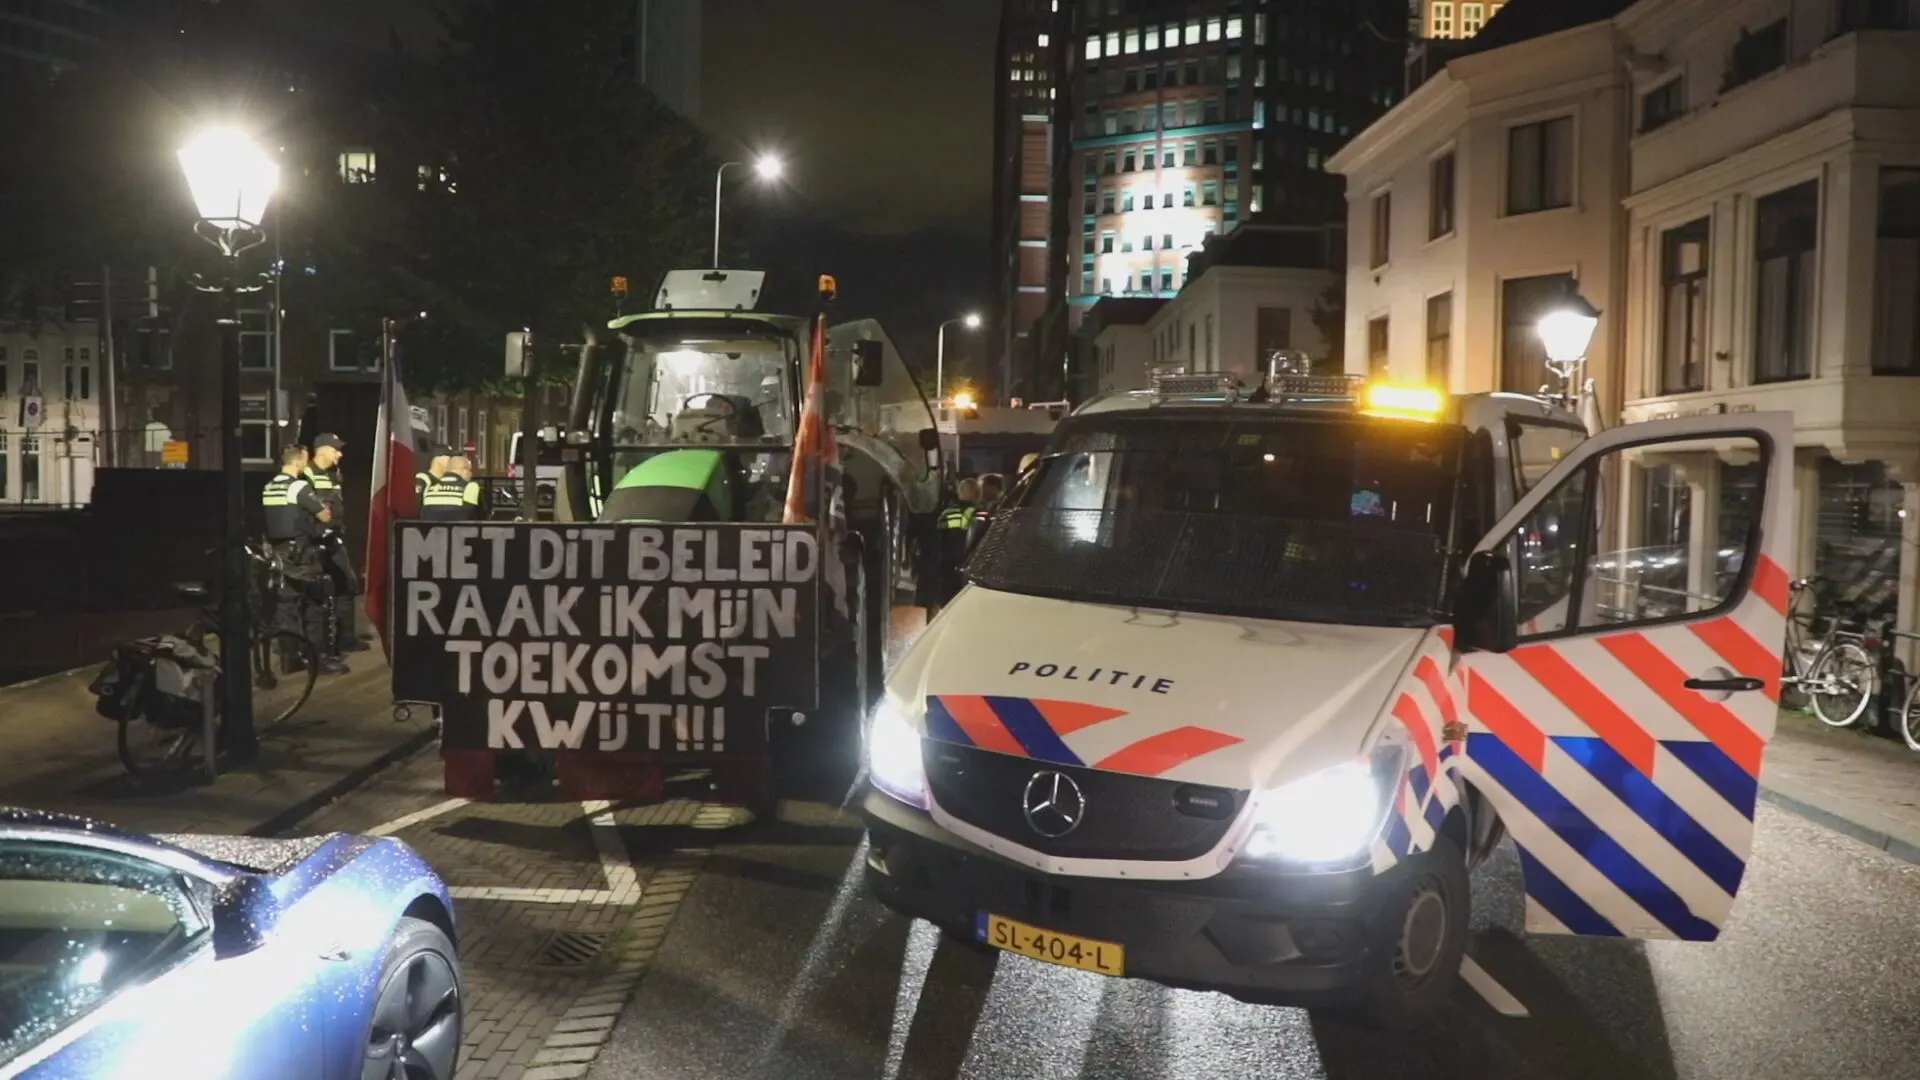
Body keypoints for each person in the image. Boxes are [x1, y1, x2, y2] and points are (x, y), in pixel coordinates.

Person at [261, 446, 348, 675]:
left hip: (279, 553)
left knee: (286, 606)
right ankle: (317, 658)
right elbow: (324, 515)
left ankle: (290, 659)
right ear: (299, 461)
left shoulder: (269, 487)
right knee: (316, 603)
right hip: (302, 553)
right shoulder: (298, 486)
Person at [305, 433, 368, 655]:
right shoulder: (307, 473)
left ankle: (346, 638)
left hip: (334, 538)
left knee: (348, 584)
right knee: (317, 591)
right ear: (322, 450)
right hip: (316, 540)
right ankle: (318, 646)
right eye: (336, 449)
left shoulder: (333, 474)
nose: (339, 454)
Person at [928, 476, 979, 619]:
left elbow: (937, 543)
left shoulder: (946, 514)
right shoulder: (978, 514)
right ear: (977, 494)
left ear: (959, 493)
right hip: (969, 569)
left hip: (947, 569)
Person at [421, 455, 484, 521]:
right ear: (464, 470)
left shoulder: (431, 488)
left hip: (433, 529)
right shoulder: (471, 487)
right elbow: (481, 516)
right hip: (460, 529)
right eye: (470, 470)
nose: (471, 474)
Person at [967, 472, 1006, 555]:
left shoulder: (1004, 507)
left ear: (994, 486)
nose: (980, 491)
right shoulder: (981, 507)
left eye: (983, 487)